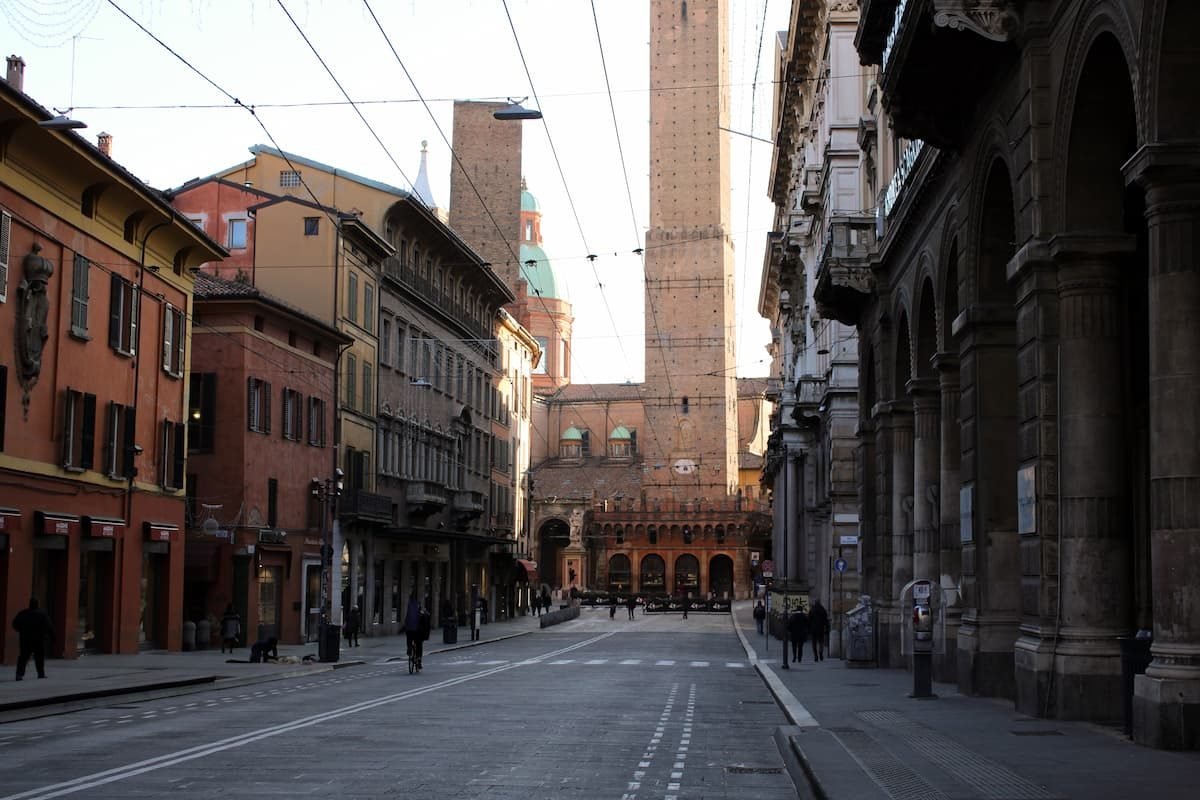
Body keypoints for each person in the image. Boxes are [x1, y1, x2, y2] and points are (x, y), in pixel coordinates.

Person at [12, 598, 54, 680]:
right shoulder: (42, 614)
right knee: (39, 657)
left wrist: (20, 630)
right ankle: (41, 674)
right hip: (38, 639)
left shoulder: (23, 613)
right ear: (37, 604)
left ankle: (19, 674)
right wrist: (52, 637)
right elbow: (49, 627)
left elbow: (14, 624)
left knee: (23, 657)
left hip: (25, 639)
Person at [404, 594, 428, 670]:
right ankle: (419, 660)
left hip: (409, 630)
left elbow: (406, 619)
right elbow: (425, 617)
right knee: (419, 644)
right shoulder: (419, 608)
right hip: (417, 631)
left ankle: (409, 647)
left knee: (409, 638)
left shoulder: (409, 607)